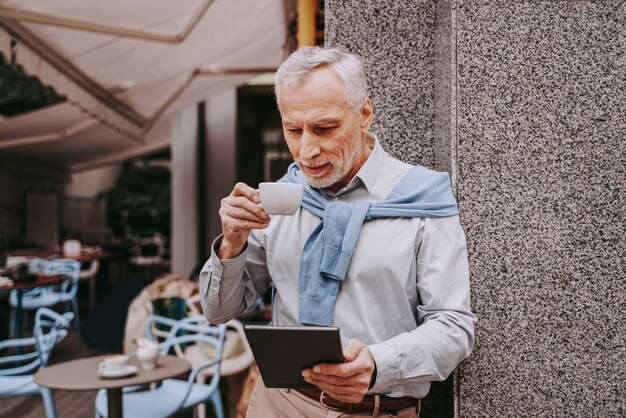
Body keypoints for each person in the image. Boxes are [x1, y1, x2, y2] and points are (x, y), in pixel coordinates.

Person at [200, 46, 476, 418]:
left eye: (324, 128)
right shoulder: (282, 197)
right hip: (277, 405)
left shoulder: (423, 199)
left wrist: (378, 364)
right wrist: (232, 244)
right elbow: (218, 312)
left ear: (364, 114)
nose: (306, 150)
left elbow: (454, 327)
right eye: (293, 130)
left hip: (378, 411)